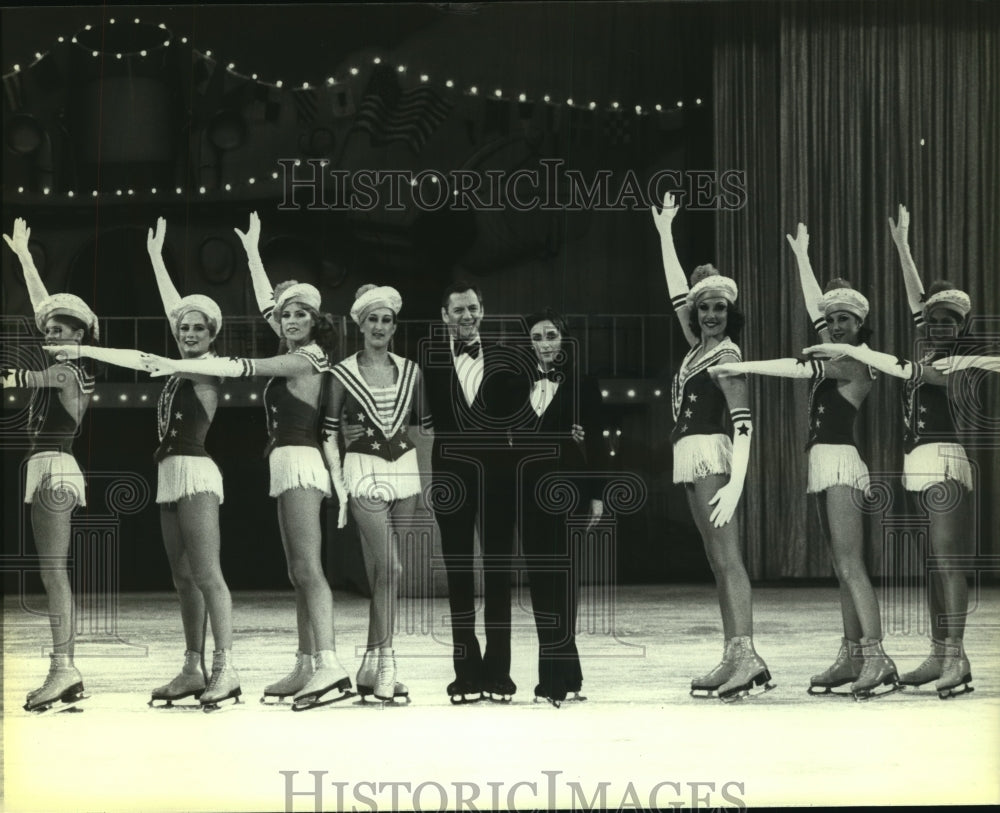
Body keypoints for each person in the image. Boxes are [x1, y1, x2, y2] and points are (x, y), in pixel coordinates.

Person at [143, 212, 351, 711]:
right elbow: (266, 306)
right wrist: (254, 253)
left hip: (301, 462)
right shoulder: (293, 341)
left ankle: (329, 662)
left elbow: (245, 366)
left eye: (299, 315)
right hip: (285, 462)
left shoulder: (309, 358)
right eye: (286, 315)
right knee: (297, 571)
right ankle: (305, 663)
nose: (289, 320)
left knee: (308, 568)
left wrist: (173, 363)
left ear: (315, 320)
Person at [48, 217, 242, 711]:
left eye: (198, 328)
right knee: (182, 577)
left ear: (212, 334)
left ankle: (227, 668)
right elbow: (172, 313)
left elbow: (140, 356)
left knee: (207, 573)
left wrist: (82, 348)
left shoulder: (207, 367)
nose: (189, 333)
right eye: (184, 328)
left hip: (196, 474)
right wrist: (156, 259)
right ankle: (193, 667)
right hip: (169, 474)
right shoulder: (179, 366)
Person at [714, 223, 900, 701]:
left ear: (860, 324)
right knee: (841, 565)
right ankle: (852, 654)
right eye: (831, 320)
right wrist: (802, 257)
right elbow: (816, 306)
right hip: (822, 462)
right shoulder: (836, 345)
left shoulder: (855, 361)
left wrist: (742, 366)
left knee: (850, 563)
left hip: (840, 464)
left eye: (844, 320)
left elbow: (796, 369)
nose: (834, 326)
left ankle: (877, 656)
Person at [803, 204, 979, 699]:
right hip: (917, 462)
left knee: (947, 561)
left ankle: (957, 656)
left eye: (947, 321)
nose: (936, 325)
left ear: (961, 326)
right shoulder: (929, 346)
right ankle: (939, 651)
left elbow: (902, 365)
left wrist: (861, 353)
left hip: (945, 461)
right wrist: (902, 246)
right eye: (931, 319)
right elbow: (915, 300)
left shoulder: (956, 360)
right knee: (933, 562)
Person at [651, 194, 772, 702]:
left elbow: (744, 424)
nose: (710, 314)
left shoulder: (727, 355)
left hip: (711, 457)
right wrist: (665, 233)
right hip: (691, 456)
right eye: (703, 308)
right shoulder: (696, 348)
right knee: (716, 560)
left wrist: (736, 483)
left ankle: (747, 656)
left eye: (719, 307)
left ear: (730, 311)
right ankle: (733, 653)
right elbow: (676, 292)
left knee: (728, 558)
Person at [3, 217, 97, 713]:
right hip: (48, 466)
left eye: (61, 329)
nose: (51, 333)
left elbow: (19, 377)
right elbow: (44, 308)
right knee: (51, 572)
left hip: (57, 469)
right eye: (49, 330)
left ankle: (64, 668)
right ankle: (64, 667)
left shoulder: (67, 370)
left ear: (79, 334)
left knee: (54, 573)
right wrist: (24, 257)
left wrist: (11, 375)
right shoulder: (63, 362)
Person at [422, 282, 532, 703]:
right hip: (450, 478)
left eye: (472, 308)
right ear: (445, 316)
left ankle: (499, 673)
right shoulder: (430, 359)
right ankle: (465, 673)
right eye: (458, 310)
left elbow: (528, 414)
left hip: (498, 477)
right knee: (459, 574)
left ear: (482, 310)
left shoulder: (507, 357)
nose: (466, 316)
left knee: (499, 574)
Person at [324, 284, 431, 703]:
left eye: (387, 320)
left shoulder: (412, 371)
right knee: (392, 567)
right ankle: (387, 662)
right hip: (363, 471)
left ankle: (370, 668)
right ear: (361, 324)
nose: (380, 326)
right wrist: (340, 485)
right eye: (373, 319)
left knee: (384, 574)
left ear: (394, 326)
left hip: (404, 471)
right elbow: (328, 433)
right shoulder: (341, 373)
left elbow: (423, 426)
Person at [514, 308, 606, 707]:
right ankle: (565, 675)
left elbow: (597, 440)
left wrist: (598, 495)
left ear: (564, 339)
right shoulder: (515, 384)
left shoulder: (583, 383)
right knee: (540, 581)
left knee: (564, 581)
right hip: (528, 490)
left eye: (551, 335)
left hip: (571, 490)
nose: (545, 343)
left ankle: (554, 679)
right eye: (537, 337)